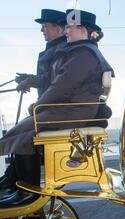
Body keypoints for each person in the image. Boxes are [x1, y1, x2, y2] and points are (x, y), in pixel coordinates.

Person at [0, 9, 114, 205]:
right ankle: (20, 186)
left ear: (82, 29)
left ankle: (28, 194)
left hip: (73, 110)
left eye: (70, 27)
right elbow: (59, 83)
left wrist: (39, 104)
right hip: (70, 109)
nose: (66, 31)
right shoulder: (79, 51)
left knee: (23, 133)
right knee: (21, 130)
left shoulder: (84, 53)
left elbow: (62, 86)